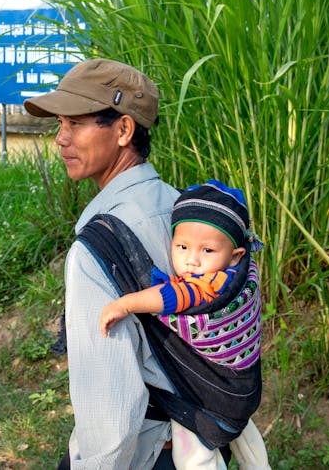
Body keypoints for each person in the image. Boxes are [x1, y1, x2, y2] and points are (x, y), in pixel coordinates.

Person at [23, 58, 180, 469]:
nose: (61, 139)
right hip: (196, 444)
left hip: (142, 455)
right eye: (59, 124)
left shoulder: (96, 248)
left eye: (75, 123)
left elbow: (111, 412)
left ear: (124, 130)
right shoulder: (184, 209)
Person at [99, 179, 267, 469]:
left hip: (213, 391)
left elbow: (172, 296)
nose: (191, 260)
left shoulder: (216, 283)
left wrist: (125, 303)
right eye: (182, 246)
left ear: (235, 256)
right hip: (236, 391)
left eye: (207, 251)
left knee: (196, 452)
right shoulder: (241, 273)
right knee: (244, 437)